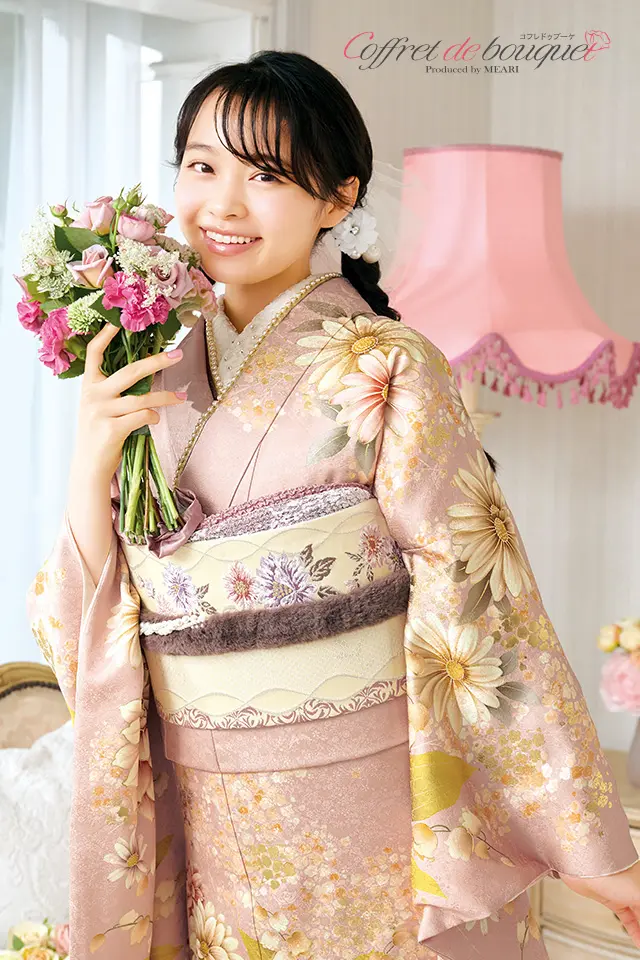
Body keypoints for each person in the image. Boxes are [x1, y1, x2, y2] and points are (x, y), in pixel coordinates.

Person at [26, 50, 640, 960]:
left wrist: (589, 844)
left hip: (368, 810)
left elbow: (481, 598)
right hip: (209, 817)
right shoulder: (152, 364)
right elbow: (81, 618)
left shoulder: (388, 364)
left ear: (338, 197)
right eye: (202, 166)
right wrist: (88, 466)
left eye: (266, 176)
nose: (223, 205)